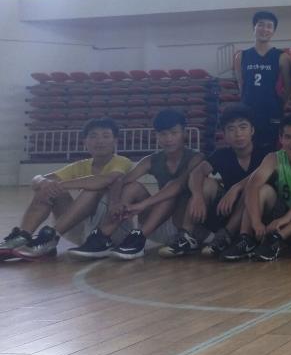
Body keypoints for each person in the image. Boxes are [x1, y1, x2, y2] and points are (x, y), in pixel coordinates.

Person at [68, 110, 202, 260]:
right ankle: (102, 237)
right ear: (157, 136)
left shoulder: (196, 158)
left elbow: (177, 186)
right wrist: (115, 202)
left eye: (173, 133)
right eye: (163, 134)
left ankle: (139, 237)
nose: (168, 138)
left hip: (186, 228)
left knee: (170, 190)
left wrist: (142, 205)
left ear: (184, 133)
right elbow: (121, 180)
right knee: (132, 186)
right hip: (158, 224)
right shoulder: (151, 160)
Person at [1, 118, 133, 261]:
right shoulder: (81, 165)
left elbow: (105, 180)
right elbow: (37, 180)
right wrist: (44, 182)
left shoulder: (122, 162)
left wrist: (61, 184)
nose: (99, 141)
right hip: (82, 231)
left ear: (115, 141)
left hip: (113, 230)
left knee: (92, 190)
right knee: (47, 189)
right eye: (93, 136)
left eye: (106, 136)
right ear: (85, 142)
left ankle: (51, 237)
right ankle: (23, 236)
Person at [159, 105, 272, 258]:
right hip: (230, 210)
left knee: (254, 189)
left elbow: (259, 176)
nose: (238, 133)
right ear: (224, 135)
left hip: (260, 211)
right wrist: (198, 196)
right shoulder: (222, 155)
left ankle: (225, 236)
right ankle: (186, 237)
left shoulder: (267, 153)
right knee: (207, 184)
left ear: (252, 130)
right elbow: (197, 172)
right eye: (231, 129)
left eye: (243, 127)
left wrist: (236, 188)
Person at [222, 114, 291, 262]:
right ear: (280, 139)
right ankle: (246, 238)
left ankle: (278, 238)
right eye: (288, 137)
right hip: (282, 213)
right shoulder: (273, 158)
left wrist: (287, 217)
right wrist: (256, 221)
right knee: (262, 189)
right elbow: (253, 185)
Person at [233, 10, 291, 147]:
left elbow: (288, 88)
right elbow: (241, 85)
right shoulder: (241, 56)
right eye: (261, 24)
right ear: (254, 27)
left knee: (270, 149)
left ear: (273, 31)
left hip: (272, 110)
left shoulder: (282, 57)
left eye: (269, 26)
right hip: (248, 109)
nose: (264, 29)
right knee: (248, 148)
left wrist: (279, 104)